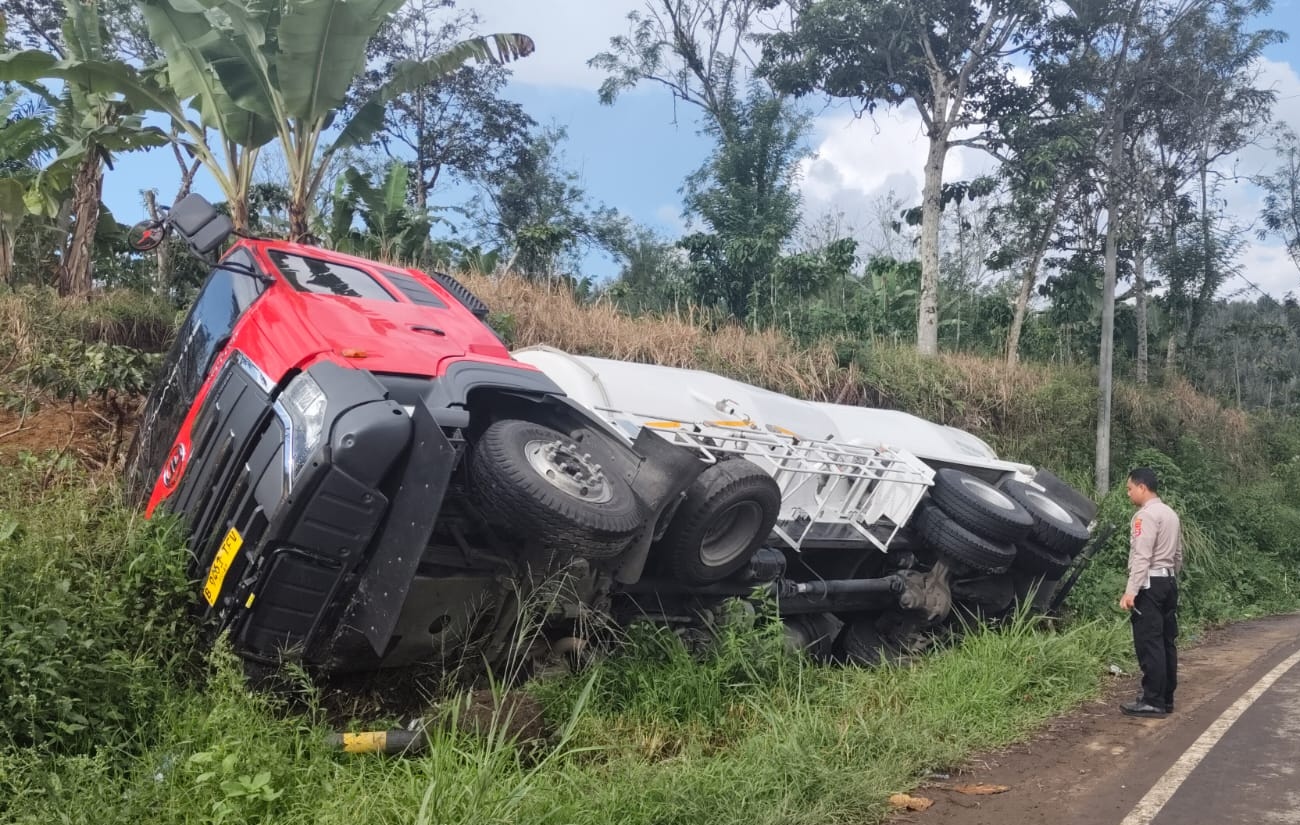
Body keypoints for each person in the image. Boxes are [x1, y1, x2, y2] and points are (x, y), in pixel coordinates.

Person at [1119, 467, 1183, 718]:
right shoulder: (1170, 514)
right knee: (1167, 641)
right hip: (1168, 582)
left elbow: (1142, 556)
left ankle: (1152, 700)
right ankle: (1166, 697)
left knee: (1149, 642)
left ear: (1142, 487)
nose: (1128, 494)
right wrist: (1170, 580)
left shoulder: (1144, 517)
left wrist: (1130, 591)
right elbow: (1178, 555)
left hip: (1149, 585)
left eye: (1130, 488)